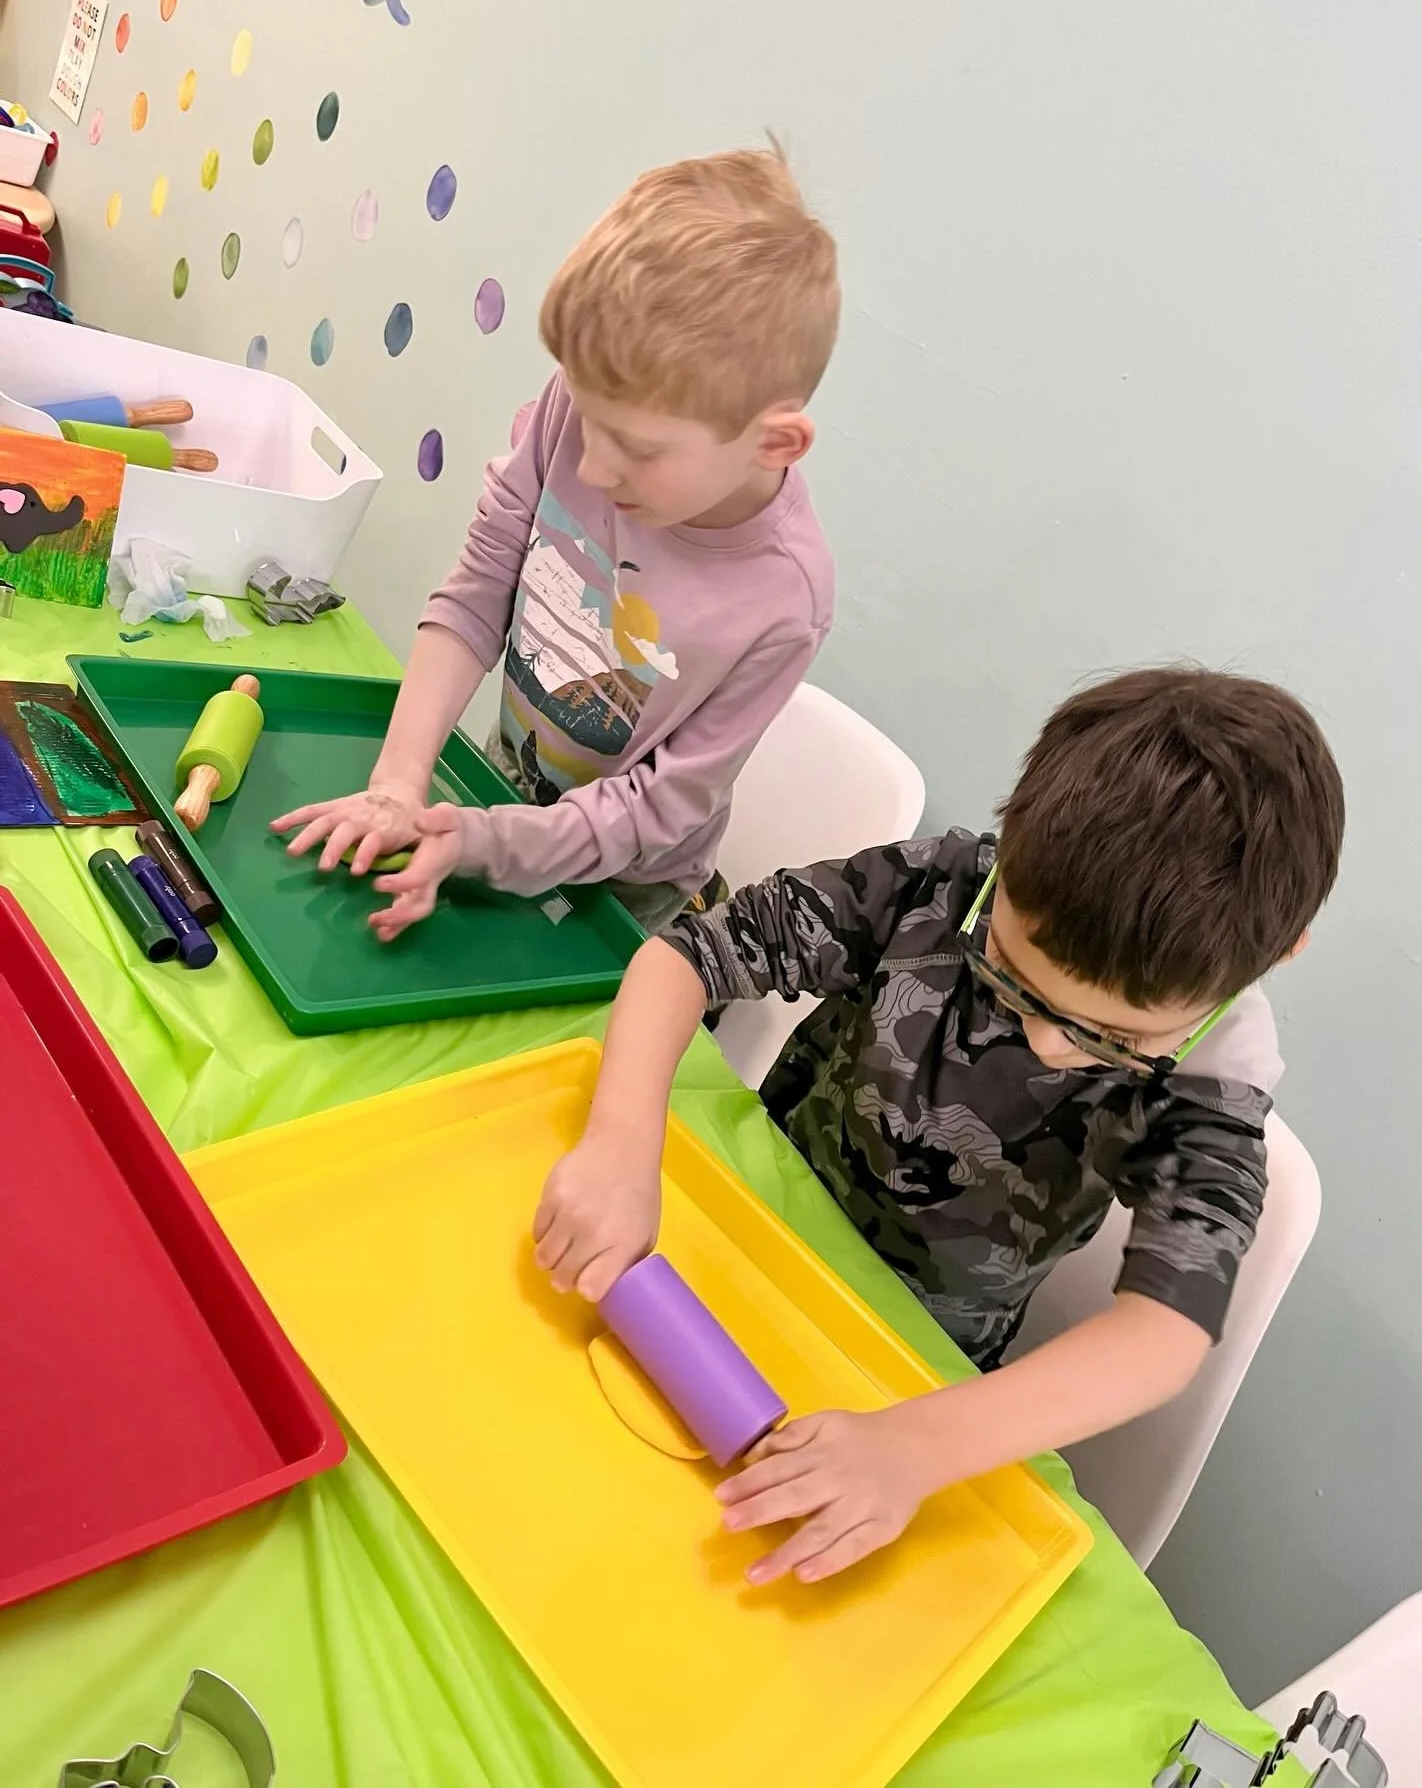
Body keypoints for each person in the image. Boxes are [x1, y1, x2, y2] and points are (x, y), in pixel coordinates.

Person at [530, 667, 1345, 1583]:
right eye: (1012, 977)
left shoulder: (1205, 1091)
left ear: (1273, 957)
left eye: (1115, 1038)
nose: (1048, 1042)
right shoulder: (940, 886)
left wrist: (916, 1446)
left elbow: (1164, 1335)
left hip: (904, 1372)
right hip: (741, 1232)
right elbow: (687, 958)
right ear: (1013, 841)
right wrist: (620, 1145)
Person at [273, 144, 838, 934]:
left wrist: (483, 843)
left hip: (626, 884)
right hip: (503, 782)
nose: (594, 466)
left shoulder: (785, 600)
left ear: (774, 443)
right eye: (583, 412)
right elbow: (477, 596)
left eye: (636, 449)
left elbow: (659, 808)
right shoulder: (589, 404)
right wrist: (399, 784)